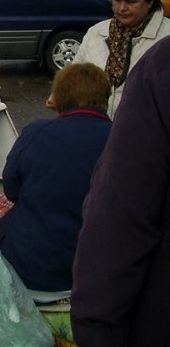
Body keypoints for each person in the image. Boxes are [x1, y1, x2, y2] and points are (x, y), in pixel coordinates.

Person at [71, 37, 170, 347]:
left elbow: (120, 217)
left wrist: (96, 327)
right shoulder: (100, 32)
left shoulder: (161, 66)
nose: (123, 7)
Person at [0, 63, 112, 292]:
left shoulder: (38, 131)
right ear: (106, 98)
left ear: (59, 96)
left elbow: (11, 190)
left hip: (25, 267)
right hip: (87, 274)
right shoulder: (121, 141)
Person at [73, 0, 170, 117]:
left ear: (150, 0)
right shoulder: (96, 34)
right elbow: (75, 80)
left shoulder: (166, 38)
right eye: (117, 0)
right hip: (97, 130)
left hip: (146, 136)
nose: (122, 8)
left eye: (131, 1)